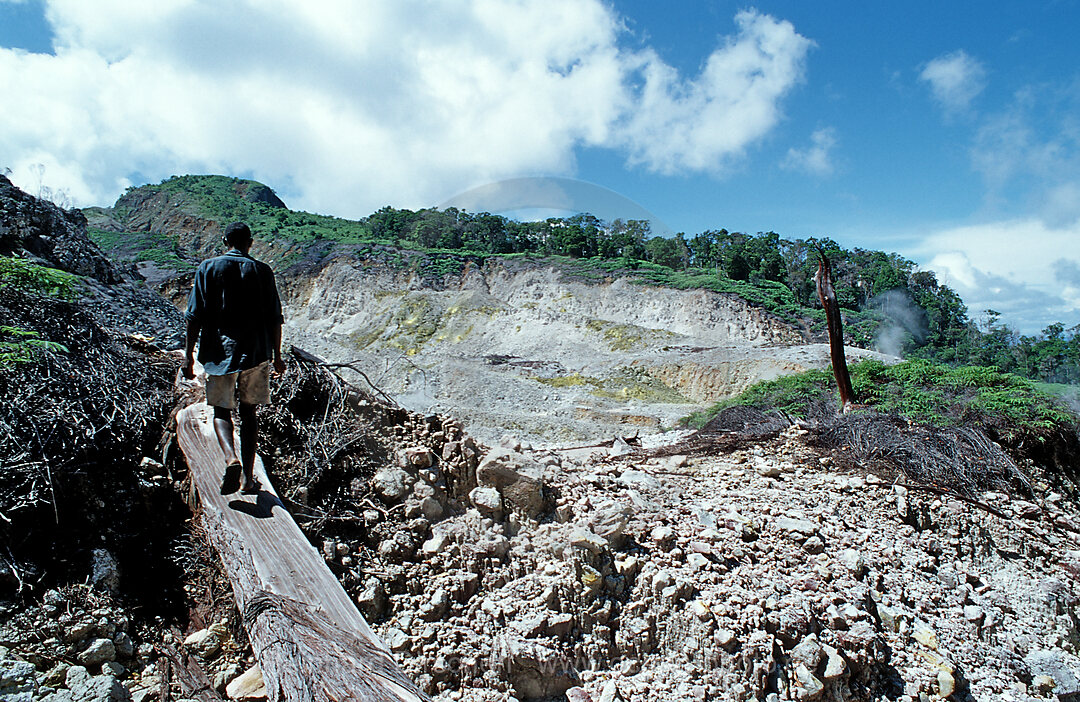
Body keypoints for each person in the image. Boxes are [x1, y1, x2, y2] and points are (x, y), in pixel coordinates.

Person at [182, 222, 285, 495]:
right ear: (250, 242)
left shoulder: (208, 268)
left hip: (219, 353)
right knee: (250, 413)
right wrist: (277, 356)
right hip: (257, 353)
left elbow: (194, 316)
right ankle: (248, 479)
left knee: (221, 410)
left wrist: (188, 356)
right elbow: (275, 318)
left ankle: (230, 458)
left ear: (225, 240)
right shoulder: (263, 271)